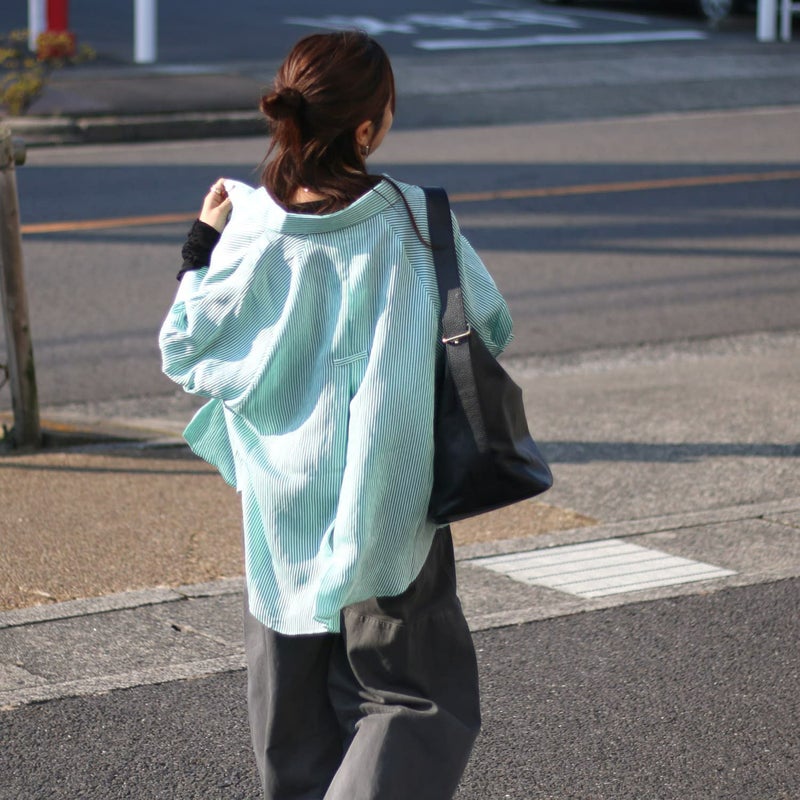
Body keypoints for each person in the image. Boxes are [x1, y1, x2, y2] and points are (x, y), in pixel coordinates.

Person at [159, 30, 513, 800]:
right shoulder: (417, 219)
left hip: (281, 509)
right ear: (366, 128)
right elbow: (489, 322)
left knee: (293, 722)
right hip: (391, 499)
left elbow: (183, 347)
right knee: (414, 701)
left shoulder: (253, 229)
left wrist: (202, 242)